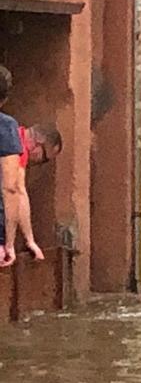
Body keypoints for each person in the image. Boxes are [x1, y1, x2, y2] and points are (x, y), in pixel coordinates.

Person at [0, 66, 54, 266]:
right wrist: (15, 243)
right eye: (45, 157)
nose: (40, 162)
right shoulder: (10, 135)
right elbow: (14, 190)